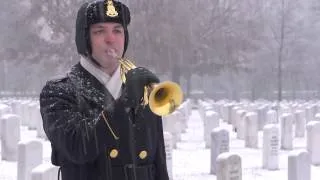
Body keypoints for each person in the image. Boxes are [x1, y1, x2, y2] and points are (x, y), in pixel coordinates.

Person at [39, 0, 169, 180]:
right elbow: (78, 147)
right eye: (100, 31)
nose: (111, 39)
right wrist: (124, 103)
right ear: (84, 39)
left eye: (118, 30)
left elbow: (158, 166)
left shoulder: (144, 91)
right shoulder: (59, 91)